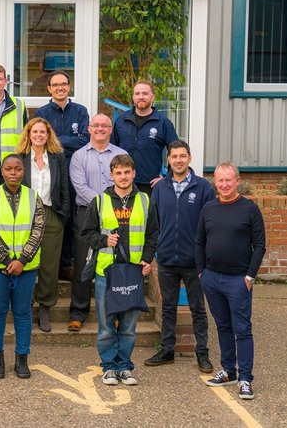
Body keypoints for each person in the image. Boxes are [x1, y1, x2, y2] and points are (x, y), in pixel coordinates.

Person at [80, 154, 158, 386]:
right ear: (111, 175)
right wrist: (104, 241)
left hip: (133, 272)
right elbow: (86, 233)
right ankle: (109, 367)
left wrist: (146, 260)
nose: (123, 177)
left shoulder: (145, 200)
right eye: (118, 173)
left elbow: (152, 235)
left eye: (127, 172)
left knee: (128, 326)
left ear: (133, 173)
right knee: (106, 325)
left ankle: (124, 366)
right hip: (106, 272)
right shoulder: (99, 201)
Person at [196, 162, 266, 400]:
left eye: (229, 180)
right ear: (214, 182)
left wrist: (250, 276)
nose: (224, 184)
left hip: (239, 280)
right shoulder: (208, 208)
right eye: (220, 180)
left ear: (238, 181)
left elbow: (260, 246)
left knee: (242, 330)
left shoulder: (249, 209)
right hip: (212, 278)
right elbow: (199, 242)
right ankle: (228, 371)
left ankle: (245, 378)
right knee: (223, 326)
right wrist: (201, 272)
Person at [145, 140, 215, 373]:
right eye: (174, 156)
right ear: (168, 160)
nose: (178, 160)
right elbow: (153, 225)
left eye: (182, 156)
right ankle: (167, 350)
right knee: (168, 307)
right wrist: (154, 253)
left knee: (198, 308)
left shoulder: (203, 188)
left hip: (194, 261)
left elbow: (211, 225)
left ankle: (202, 353)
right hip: (166, 259)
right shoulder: (160, 188)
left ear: (190, 158)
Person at [0, 154, 45, 379]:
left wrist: (22, 260)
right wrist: (8, 261)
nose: (13, 173)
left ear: (23, 171)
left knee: (23, 312)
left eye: (18, 169)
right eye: (9, 169)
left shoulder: (33, 197)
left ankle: (21, 359)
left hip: (26, 266)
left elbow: (38, 230)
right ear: (2, 172)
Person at [67, 114, 128, 332]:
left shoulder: (121, 154)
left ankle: (117, 312)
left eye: (105, 125)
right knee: (84, 263)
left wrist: (111, 207)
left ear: (110, 129)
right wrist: (103, 204)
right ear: (89, 129)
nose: (100, 129)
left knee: (116, 262)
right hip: (87, 215)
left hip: (119, 214)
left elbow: (125, 182)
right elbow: (80, 188)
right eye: (96, 125)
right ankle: (78, 313)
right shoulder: (79, 156)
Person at [15, 118, 69, 332]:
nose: (38, 135)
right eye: (34, 131)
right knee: (25, 259)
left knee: (49, 263)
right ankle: (25, 305)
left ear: (48, 135)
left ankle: (45, 307)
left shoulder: (57, 158)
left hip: (51, 213)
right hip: (24, 214)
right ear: (28, 134)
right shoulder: (20, 157)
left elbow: (64, 187)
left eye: (42, 132)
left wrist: (63, 215)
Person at [35, 71, 90, 281]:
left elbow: (85, 139)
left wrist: (56, 141)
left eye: (64, 84)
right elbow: (40, 140)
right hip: (50, 172)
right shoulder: (42, 112)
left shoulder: (80, 111)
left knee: (70, 217)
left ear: (69, 87)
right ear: (49, 88)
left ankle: (66, 265)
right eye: (55, 85)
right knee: (51, 216)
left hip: (75, 171)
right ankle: (46, 263)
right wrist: (68, 141)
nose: (60, 88)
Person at [111, 80, 178, 195]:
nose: (141, 97)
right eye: (137, 94)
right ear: (133, 97)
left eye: (145, 94)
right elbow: (111, 149)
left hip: (150, 186)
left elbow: (176, 151)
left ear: (153, 97)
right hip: (123, 184)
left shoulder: (163, 123)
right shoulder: (121, 121)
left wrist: (168, 177)